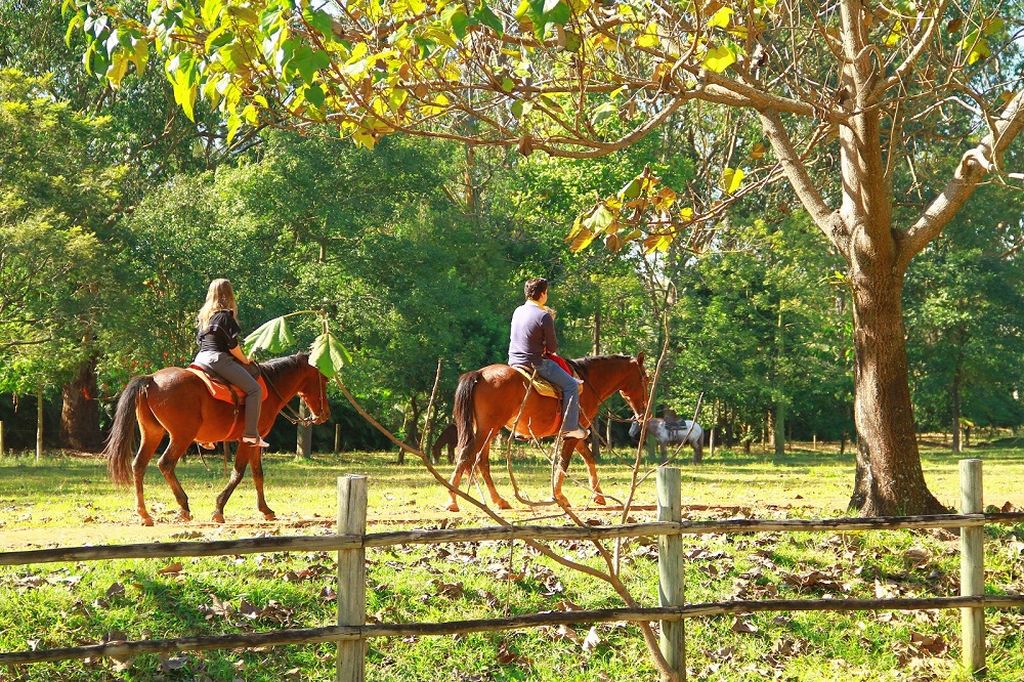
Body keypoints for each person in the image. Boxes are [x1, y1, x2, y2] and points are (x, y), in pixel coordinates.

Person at [192, 279, 269, 448]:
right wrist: (245, 359)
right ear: (229, 294)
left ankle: (205, 436)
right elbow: (232, 346)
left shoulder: (205, 318)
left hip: (200, 359)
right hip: (218, 359)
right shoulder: (224, 316)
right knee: (254, 389)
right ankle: (250, 435)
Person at [508, 277, 588, 439]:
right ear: (543, 294)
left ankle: (519, 428)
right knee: (572, 385)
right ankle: (570, 427)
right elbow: (552, 348)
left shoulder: (518, 311)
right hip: (536, 363)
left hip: (514, 362)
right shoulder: (543, 315)